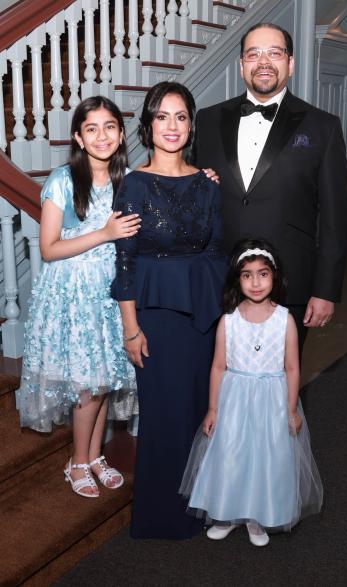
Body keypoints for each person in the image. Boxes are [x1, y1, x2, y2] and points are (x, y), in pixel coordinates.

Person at [111, 81, 227, 539]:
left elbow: (218, 253)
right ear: (148, 126)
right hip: (154, 317)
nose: (172, 126)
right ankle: (163, 516)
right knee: (163, 416)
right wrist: (130, 329)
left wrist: (223, 319)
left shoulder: (208, 184)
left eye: (181, 117)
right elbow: (124, 263)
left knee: (204, 411)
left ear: (191, 125)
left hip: (201, 313)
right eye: (163, 116)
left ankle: (206, 506)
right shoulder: (134, 186)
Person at [193, 22, 347, 353]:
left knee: (278, 387)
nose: (263, 62)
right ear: (241, 65)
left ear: (290, 64)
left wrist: (325, 290)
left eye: (274, 53)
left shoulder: (323, 127)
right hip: (217, 282)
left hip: (289, 282)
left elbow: (335, 218)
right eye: (253, 54)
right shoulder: (206, 121)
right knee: (220, 385)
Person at [17, 96, 140, 498]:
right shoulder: (63, 179)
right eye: (92, 128)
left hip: (111, 294)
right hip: (74, 295)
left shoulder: (129, 179)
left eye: (109, 127)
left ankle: (94, 454)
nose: (102, 135)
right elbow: (49, 247)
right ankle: (77, 461)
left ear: (121, 134)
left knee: (104, 381)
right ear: (78, 137)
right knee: (87, 384)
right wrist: (103, 234)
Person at [179, 239, 323, 546]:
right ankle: (228, 513)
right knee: (230, 457)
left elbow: (293, 368)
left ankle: (257, 517)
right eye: (247, 275)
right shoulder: (228, 320)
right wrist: (213, 409)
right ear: (237, 279)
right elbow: (218, 366)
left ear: (275, 277)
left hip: (271, 401)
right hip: (233, 400)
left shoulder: (285, 319)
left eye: (263, 274)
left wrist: (291, 409)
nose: (256, 282)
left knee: (265, 459)